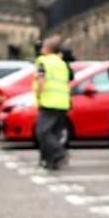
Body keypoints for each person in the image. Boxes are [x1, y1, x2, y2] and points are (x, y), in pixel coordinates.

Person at [33, 35, 71, 170]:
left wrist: (38, 96)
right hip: (63, 103)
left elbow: (41, 81)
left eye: (43, 46)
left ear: (47, 49)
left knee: (42, 132)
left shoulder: (43, 62)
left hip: (48, 101)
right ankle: (51, 161)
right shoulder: (62, 64)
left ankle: (59, 153)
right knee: (54, 133)